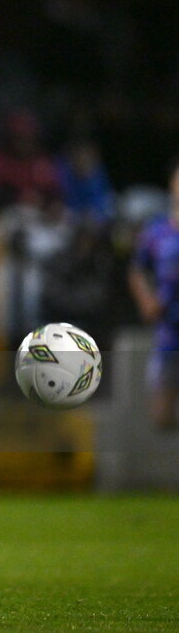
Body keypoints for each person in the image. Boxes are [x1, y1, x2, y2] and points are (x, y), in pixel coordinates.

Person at [128, 159, 179, 432]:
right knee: (162, 417)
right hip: (169, 334)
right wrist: (147, 300)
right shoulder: (157, 232)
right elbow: (136, 270)